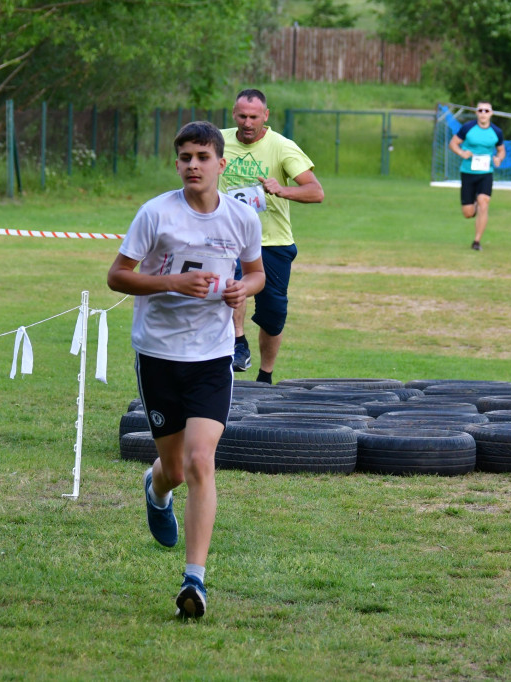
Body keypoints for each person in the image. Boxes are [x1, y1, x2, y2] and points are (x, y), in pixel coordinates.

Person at [107, 121, 265, 619]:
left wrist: (246, 290)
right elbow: (117, 276)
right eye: (184, 157)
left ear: (221, 164)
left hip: (213, 358)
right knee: (173, 469)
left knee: (200, 462)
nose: (192, 164)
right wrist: (172, 282)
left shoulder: (242, 219)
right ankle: (156, 492)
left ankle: (194, 581)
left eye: (202, 156)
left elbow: (256, 271)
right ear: (176, 164)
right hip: (158, 354)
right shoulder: (156, 214)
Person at [220, 88, 324, 383]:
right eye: (242, 116)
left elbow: (316, 191)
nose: (247, 122)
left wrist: (282, 190)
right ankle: (238, 343)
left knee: (273, 315)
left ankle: (265, 375)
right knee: (232, 287)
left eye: (254, 116)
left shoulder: (282, 147)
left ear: (265, 116)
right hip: (229, 237)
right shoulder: (218, 141)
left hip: (273, 242)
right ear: (233, 114)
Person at [448, 101, 506, 251]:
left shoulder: (496, 132)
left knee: (484, 202)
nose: (483, 114)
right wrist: (462, 153)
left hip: (486, 173)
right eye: (480, 110)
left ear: (491, 113)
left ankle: (477, 241)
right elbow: (453, 143)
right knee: (468, 213)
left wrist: (499, 159)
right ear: (476, 113)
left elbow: (501, 150)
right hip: (468, 172)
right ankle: (472, 203)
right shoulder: (468, 128)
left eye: (487, 111)